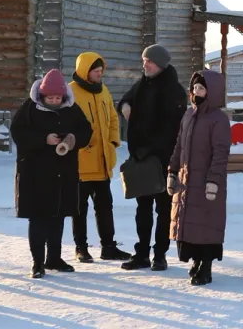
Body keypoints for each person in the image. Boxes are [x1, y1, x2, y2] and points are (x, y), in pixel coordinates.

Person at [10, 68, 92, 279]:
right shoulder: (30, 108)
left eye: (57, 97)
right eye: (51, 97)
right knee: (39, 219)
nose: (55, 101)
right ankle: (37, 262)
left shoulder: (72, 108)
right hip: (35, 174)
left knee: (58, 216)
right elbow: (18, 133)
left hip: (63, 173)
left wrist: (73, 139)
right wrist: (43, 139)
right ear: (43, 95)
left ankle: (54, 258)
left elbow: (86, 130)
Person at [118, 44, 187, 271]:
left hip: (162, 160)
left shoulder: (173, 90)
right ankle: (142, 254)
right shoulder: (142, 84)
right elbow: (126, 98)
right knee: (143, 210)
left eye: (149, 61)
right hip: (140, 159)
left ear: (160, 64)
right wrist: (126, 105)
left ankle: (160, 255)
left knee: (164, 210)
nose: (145, 64)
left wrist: (152, 151)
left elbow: (171, 129)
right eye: (144, 60)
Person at [170, 69, 230, 286]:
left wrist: (213, 180)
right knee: (190, 224)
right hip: (187, 181)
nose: (197, 91)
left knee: (206, 223)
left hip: (207, 182)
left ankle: (206, 265)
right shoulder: (189, 115)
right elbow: (178, 146)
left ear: (212, 91)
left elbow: (221, 153)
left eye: (202, 88)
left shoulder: (219, 119)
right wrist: (172, 171)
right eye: (195, 87)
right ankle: (195, 260)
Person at [70, 52, 125, 263]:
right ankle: (81, 248)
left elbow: (112, 118)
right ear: (85, 71)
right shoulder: (71, 92)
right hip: (80, 163)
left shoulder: (104, 91)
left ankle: (108, 247)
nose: (98, 74)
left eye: (101, 70)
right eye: (95, 70)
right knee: (79, 210)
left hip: (102, 162)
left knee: (105, 207)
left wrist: (112, 142)